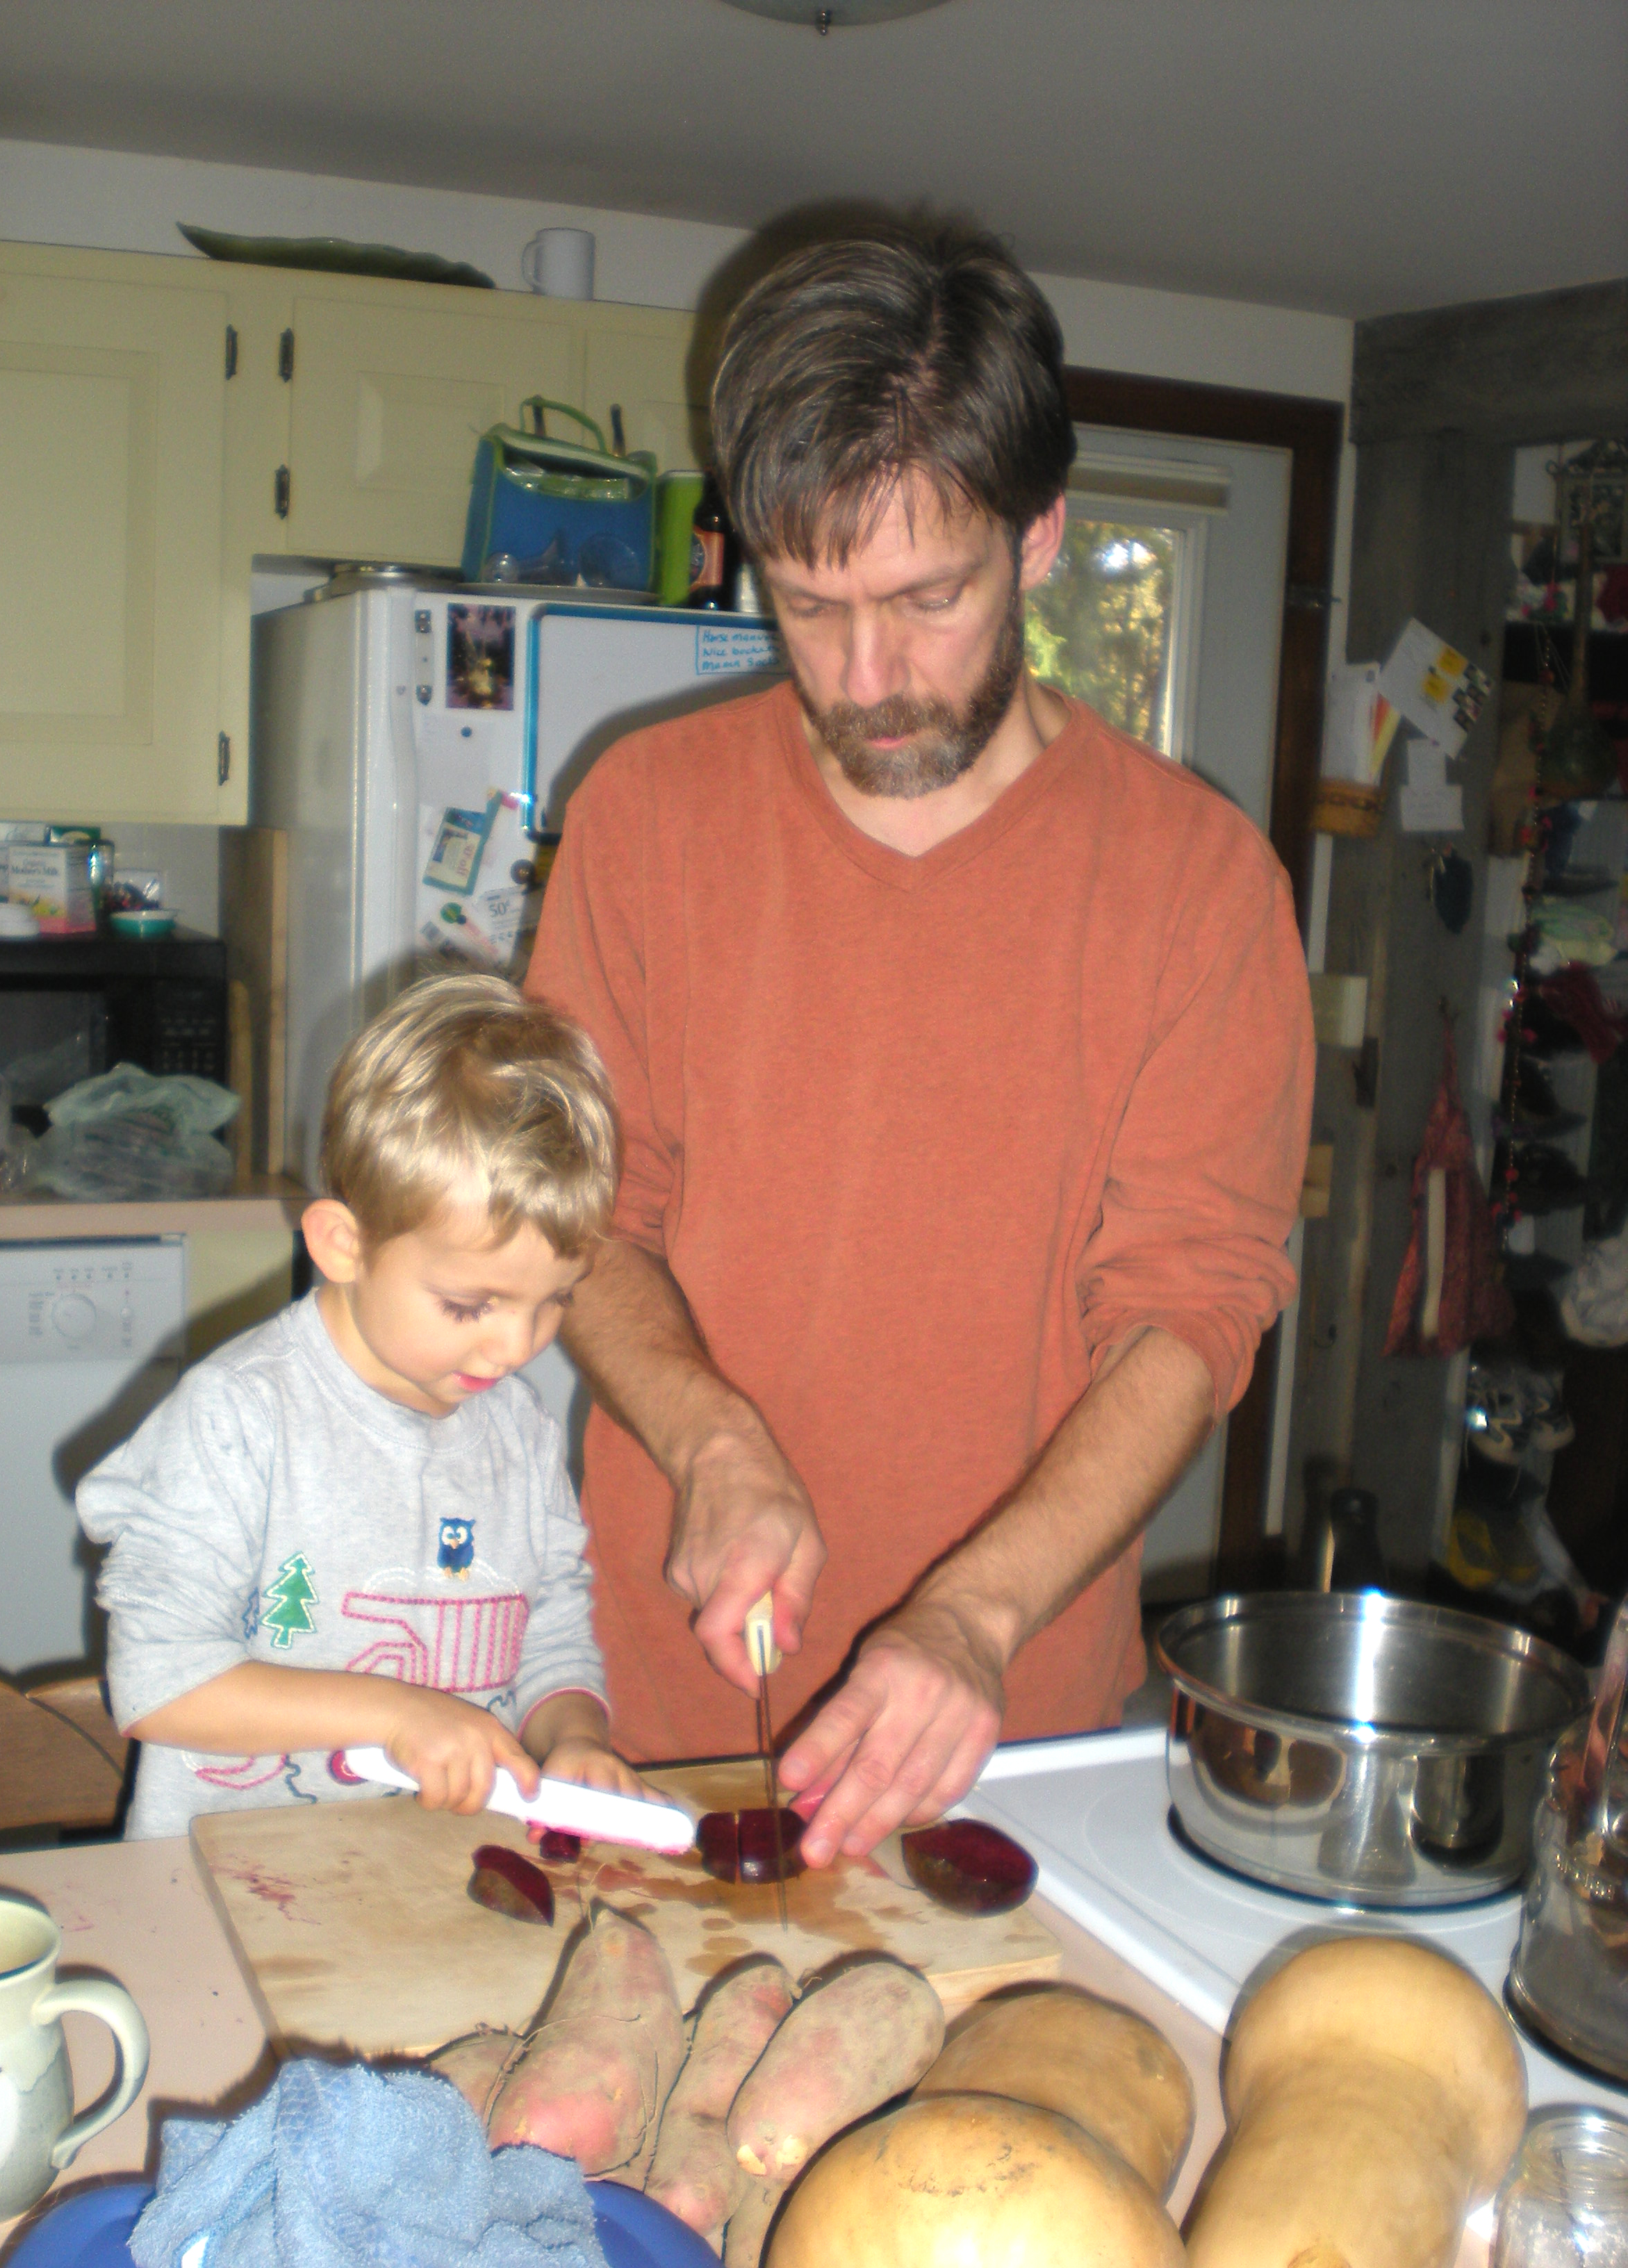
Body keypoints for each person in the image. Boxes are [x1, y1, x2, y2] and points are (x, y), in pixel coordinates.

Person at [527, 216, 1315, 1869]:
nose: (865, 677)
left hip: (995, 1712)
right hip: (652, 1702)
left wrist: (968, 1613)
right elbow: (585, 1204)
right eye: (808, 607)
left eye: (924, 599)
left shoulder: (1196, 884)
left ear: (1038, 539)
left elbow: (1188, 1307)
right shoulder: (644, 818)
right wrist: (710, 1438)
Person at [79, 973, 648, 1839]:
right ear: (343, 1244)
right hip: (224, 1894)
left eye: (555, 1300)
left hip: (427, 1888)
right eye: (470, 1306)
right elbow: (161, 1682)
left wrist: (574, 1737)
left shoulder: (519, 1432)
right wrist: (398, 1714)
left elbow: (552, 1626)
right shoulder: (238, 1419)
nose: (516, 1347)